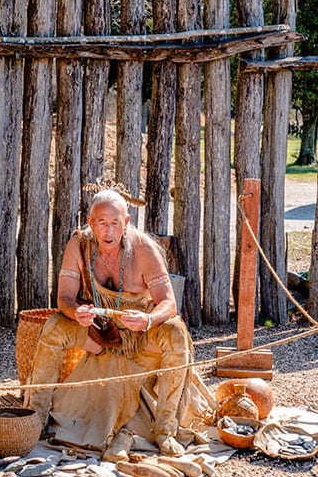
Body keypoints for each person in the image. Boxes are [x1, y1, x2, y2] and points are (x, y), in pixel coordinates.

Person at [24, 185, 215, 457]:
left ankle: (165, 430)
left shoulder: (143, 248)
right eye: (102, 223)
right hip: (100, 332)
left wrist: (148, 320)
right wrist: (76, 312)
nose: (109, 231)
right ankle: (37, 416)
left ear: (126, 222)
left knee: (176, 332)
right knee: (54, 325)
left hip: (140, 335)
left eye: (115, 223)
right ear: (90, 223)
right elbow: (64, 298)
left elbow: (169, 303)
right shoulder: (79, 244)